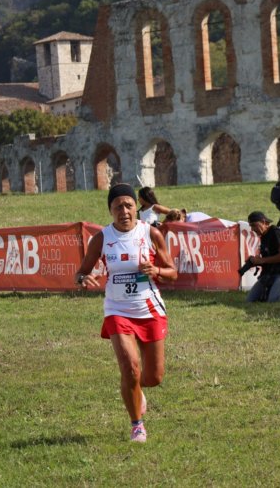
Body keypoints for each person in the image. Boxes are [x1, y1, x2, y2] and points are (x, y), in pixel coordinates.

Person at [77, 183, 177, 444]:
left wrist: (156, 272)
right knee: (130, 369)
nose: (124, 211)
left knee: (153, 377)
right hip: (117, 310)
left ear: (137, 207)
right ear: (110, 210)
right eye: (118, 206)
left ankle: (137, 391)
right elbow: (82, 271)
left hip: (150, 308)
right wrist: (83, 279)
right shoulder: (101, 238)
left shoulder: (151, 233)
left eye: (129, 205)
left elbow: (172, 272)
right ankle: (137, 426)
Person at [243, 211, 280, 302]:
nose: (252, 229)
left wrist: (262, 260)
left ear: (263, 222)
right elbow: (268, 259)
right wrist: (255, 262)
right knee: (249, 300)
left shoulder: (276, 232)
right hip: (268, 275)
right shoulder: (263, 236)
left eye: (254, 225)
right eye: (251, 226)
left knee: (272, 301)